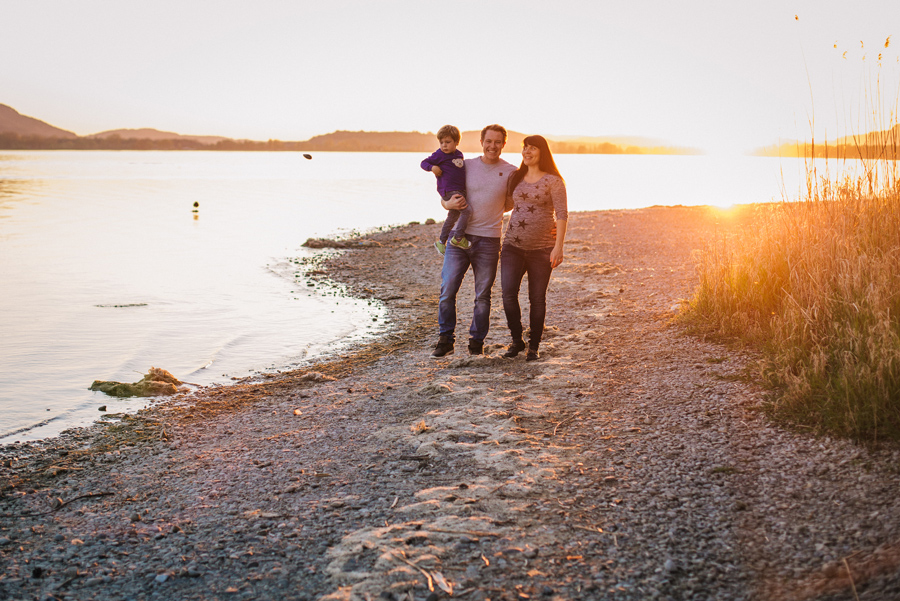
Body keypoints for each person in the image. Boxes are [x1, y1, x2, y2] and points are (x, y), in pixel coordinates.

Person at [432, 124, 516, 358]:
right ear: (481, 142)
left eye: (497, 142)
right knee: (448, 289)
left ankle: (476, 343)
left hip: (489, 241)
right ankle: (445, 339)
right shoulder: (465, 165)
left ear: (503, 144)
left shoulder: (510, 171)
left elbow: (510, 203)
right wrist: (447, 205)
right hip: (459, 238)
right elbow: (446, 193)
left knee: (482, 295)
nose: (493, 146)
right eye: (489, 141)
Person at [500, 135, 568, 361]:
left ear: (542, 152)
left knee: (537, 299)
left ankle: (534, 346)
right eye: (524, 148)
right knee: (508, 295)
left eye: (532, 148)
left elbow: (562, 214)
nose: (527, 152)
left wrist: (558, 247)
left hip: (542, 250)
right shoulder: (516, 177)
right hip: (512, 246)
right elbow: (506, 205)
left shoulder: (554, 181)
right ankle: (517, 340)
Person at [420, 125, 470, 254]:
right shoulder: (439, 154)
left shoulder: (459, 155)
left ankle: (441, 242)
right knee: (466, 211)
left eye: (447, 142)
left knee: (452, 217)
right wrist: (432, 168)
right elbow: (424, 162)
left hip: (459, 190)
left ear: (456, 142)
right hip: (449, 190)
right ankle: (458, 238)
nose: (444, 145)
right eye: (441, 142)